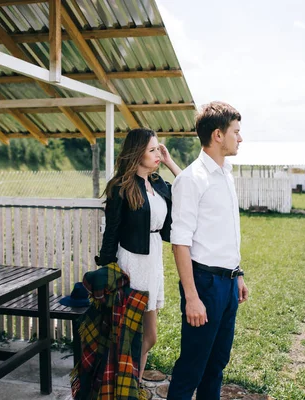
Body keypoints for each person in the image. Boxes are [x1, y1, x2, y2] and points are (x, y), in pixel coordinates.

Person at [167, 101, 249, 400]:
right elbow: (180, 242)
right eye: (236, 132)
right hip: (204, 285)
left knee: (216, 366)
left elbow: (224, 232)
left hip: (227, 285)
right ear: (218, 134)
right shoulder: (191, 179)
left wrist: (237, 273)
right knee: (192, 367)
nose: (240, 138)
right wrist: (192, 297)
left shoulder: (226, 173)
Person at [95, 127, 181, 387]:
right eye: (152, 150)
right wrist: (109, 269)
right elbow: (111, 233)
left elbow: (189, 188)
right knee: (130, 334)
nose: (158, 154)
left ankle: (131, 383)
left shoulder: (157, 184)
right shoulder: (121, 187)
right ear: (137, 153)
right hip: (131, 263)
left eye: (159, 149)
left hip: (153, 258)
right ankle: (127, 386)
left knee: (150, 335)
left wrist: (169, 162)